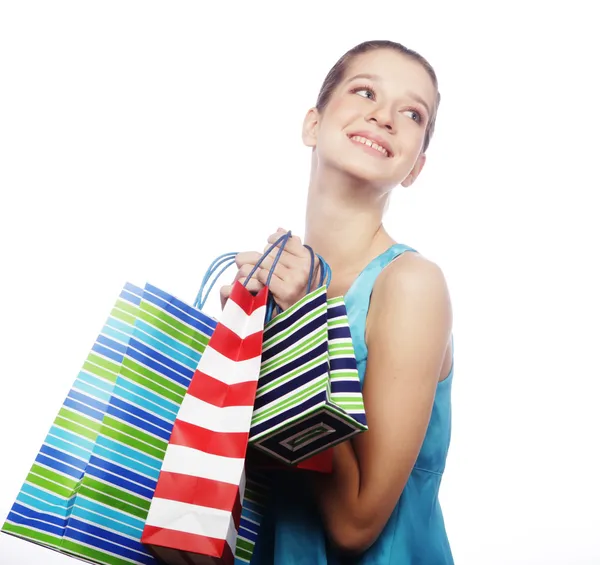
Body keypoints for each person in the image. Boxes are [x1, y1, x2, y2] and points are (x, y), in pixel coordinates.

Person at [220, 39, 454, 565]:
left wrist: (293, 332)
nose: (383, 116)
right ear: (312, 124)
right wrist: (238, 336)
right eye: (365, 90)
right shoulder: (274, 291)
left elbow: (355, 525)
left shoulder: (411, 285)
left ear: (416, 166)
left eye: (412, 113)